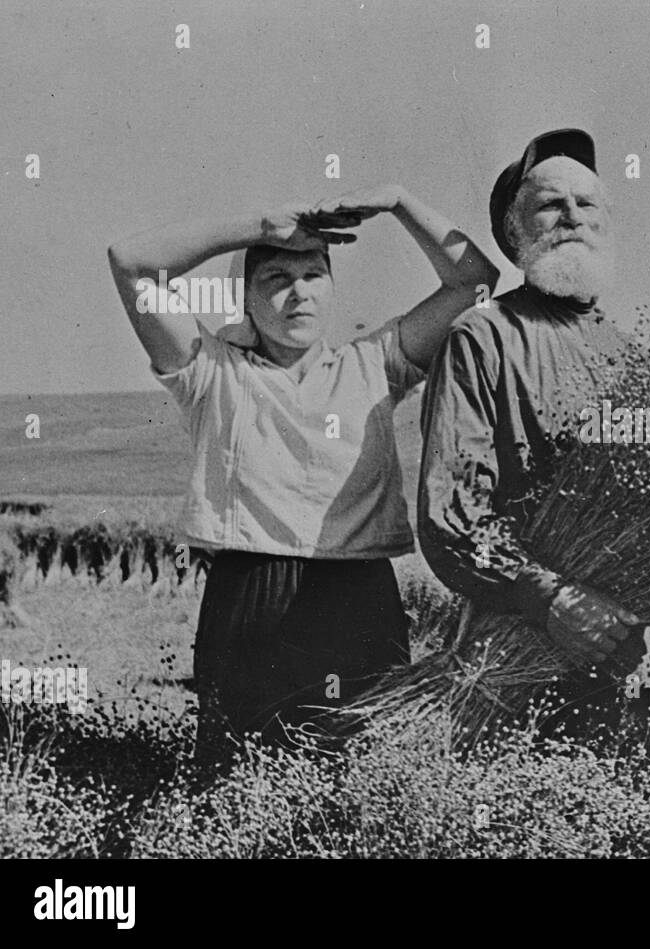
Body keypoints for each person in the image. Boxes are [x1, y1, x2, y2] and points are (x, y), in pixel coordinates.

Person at [108, 185, 498, 767]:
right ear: (246, 298)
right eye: (276, 279)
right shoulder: (212, 372)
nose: (299, 295)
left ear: (333, 288)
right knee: (240, 776)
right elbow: (132, 263)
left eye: (314, 275)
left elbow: (476, 283)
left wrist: (396, 203)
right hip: (251, 593)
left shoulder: (375, 364)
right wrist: (259, 224)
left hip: (359, 595)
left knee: (365, 773)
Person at [417, 128, 650, 749]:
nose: (573, 216)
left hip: (629, 647)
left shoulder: (637, 359)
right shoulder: (484, 336)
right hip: (518, 649)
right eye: (551, 204)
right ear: (514, 233)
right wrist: (552, 600)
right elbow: (454, 513)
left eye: (588, 203)